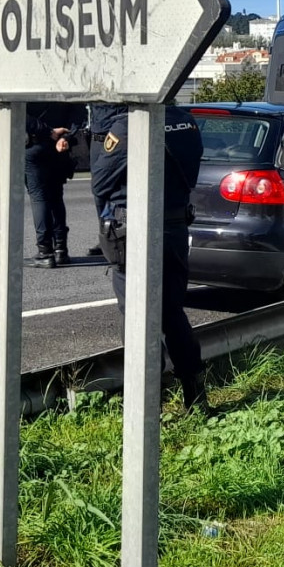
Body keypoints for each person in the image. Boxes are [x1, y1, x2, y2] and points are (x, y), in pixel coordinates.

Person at [90, 103, 207, 411]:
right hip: (175, 226)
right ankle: (196, 398)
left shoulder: (129, 124)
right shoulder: (187, 121)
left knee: (137, 317)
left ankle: (146, 404)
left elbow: (100, 182)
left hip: (135, 232)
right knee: (172, 313)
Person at [24, 102, 87, 268]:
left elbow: (18, 114)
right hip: (59, 145)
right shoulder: (65, 79)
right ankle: (60, 249)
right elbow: (78, 111)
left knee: (39, 198)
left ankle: (45, 251)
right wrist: (66, 136)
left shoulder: (22, 81)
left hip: (35, 143)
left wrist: (47, 131)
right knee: (56, 197)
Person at [86, 102, 121, 257]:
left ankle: (117, 236)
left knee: (118, 189)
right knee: (98, 190)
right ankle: (105, 236)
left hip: (117, 137)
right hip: (97, 139)